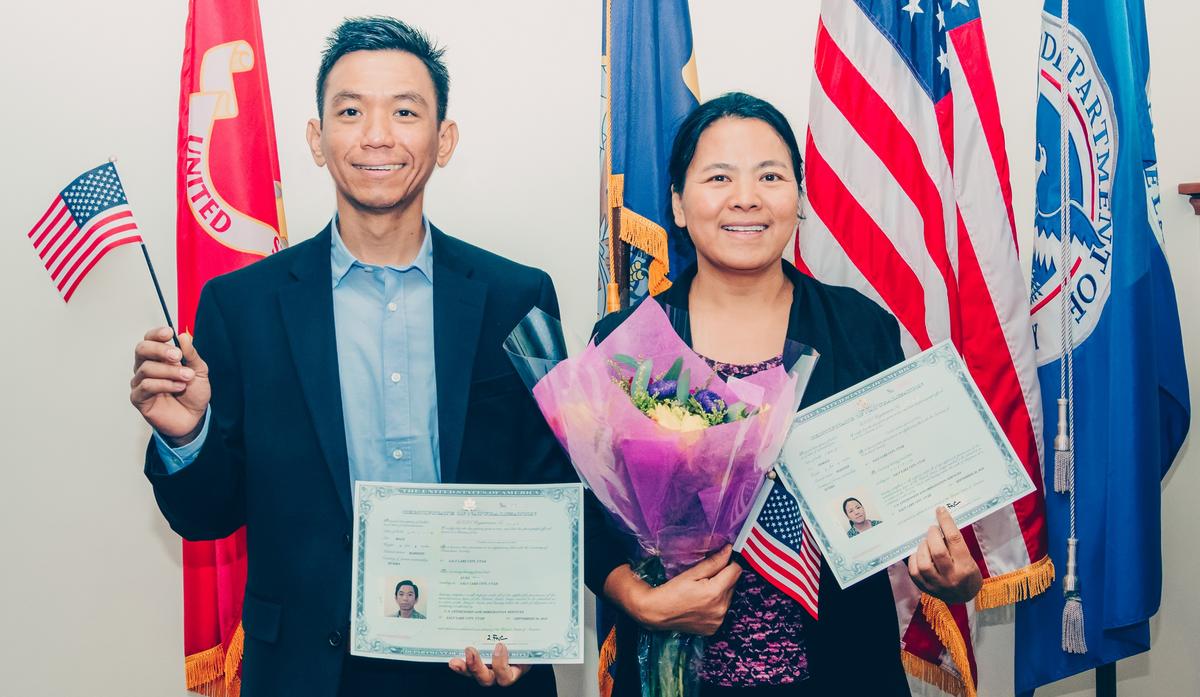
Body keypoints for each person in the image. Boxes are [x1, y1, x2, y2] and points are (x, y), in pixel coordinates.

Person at [129, 16, 570, 697]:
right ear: (316, 139)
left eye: (404, 111)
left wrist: (530, 629)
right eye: (351, 111)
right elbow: (207, 516)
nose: (376, 135)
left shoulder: (519, 295)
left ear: (443, 139)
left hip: (477, 668)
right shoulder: (240, 306)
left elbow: (551, 489)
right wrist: (187, 434)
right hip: (307, 669)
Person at [585, 92, 983, 696]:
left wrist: (946, 574)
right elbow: (589, 516)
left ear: (797, 199)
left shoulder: (858, 329)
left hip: (841, 671)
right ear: (678, 203)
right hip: (675, 674)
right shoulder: (631, 341)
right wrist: (637, 598)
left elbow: (903, 497)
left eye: (770, 176)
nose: (746, 197)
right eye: (719, 177)